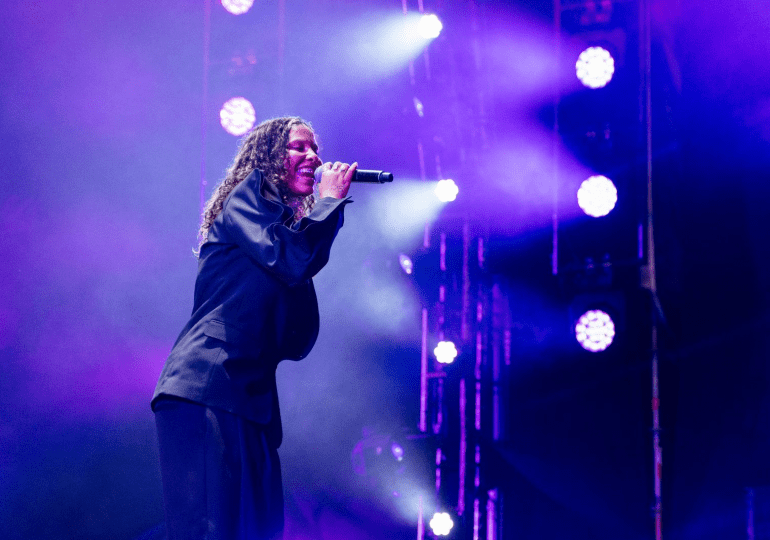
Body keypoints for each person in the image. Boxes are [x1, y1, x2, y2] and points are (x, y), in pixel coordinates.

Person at [151, 116, 357, 540]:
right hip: (208, 382)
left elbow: (295, 318)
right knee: (210, 528)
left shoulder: (279, 229)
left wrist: (317, 215)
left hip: (248, 396)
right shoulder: (246, 198)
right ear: (267, 157)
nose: (314, 157)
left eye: (314, 149)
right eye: (299, 147)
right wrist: (329, 202)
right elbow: (292, 260)